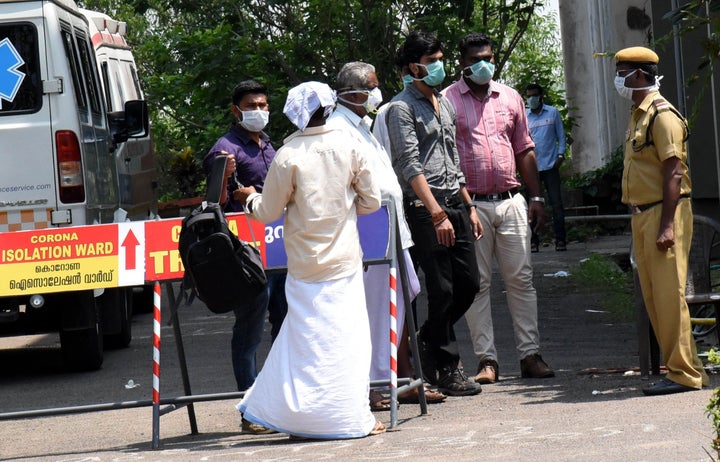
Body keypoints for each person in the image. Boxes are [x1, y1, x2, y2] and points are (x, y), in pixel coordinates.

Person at [235, 81, 386, 438]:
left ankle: (293, 415)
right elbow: (372, 202)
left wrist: (249, 199)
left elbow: (268, 211)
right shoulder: (349, 145)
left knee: (305, 344)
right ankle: (349, 417)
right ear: (329, 107)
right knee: (347, 343)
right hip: (345, 262)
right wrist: (347, 207)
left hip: (303, 266)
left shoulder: (288, 156)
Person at [327, 62, 446, 409]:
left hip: (392, 228)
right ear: (356, 93)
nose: (378, 92)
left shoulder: (361, 124)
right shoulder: (338, 129)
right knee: (377, 308)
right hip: (370, 231)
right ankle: (375, 384)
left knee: (404, 294)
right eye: (374, 86)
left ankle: (395, 376)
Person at [442, 33, 554, 384]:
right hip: (470, 204)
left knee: (521, 279)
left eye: (489, 57)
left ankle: (530, 355)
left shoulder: (510, 97)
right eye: (477, 59)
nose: (484, 64)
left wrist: (536, 198)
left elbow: (524, 148)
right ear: (462, 63)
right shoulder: (447, 100)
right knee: (478, 284)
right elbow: (445, 155)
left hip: (510, 201)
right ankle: (486, 361)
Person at [385, 31, 483, 397]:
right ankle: (447, 367)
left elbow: (453, 160)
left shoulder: (444, 103)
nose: (439, 66)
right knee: (440, 289)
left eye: (441, 59)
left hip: (455, 204)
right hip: (425, 210)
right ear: (415, 67)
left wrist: (468, 206)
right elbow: (410, 165)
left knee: (469, 284)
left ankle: (425, 339)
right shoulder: (400, 108)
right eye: (432, 61)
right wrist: (437, 214)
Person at [614, 46, 709, 396]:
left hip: (663, 212)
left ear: (638, 75)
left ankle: (682, 374)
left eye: (621, 71)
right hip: (644, 213)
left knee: (669, 296)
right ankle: (688, 367)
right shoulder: (638, 114)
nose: (618, 78)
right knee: (655, 297)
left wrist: (667, 224)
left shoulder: (661, 115)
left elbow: (674, 172)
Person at [203, 80, 287, 432]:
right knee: (250, 331)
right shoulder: (223, 149)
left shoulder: (270, 144)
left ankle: (282, 403)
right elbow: (214, 203)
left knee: (285, 328)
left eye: (265, 105)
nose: (260, 111)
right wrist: (229, 184)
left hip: (282, 250)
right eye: (253, 105)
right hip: (247, 256)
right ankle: (250, 409)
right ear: (236, 110)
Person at [525, 83, 568, 252]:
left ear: (541, 96)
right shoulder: (525, 116)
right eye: (528, 96)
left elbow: (561, 136)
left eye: (534, 95)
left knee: (556, 204)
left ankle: (560, 240)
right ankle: (533, 241)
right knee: (532, 205)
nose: (531, 99)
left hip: (550, 165)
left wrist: (561, 155)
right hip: (532, 169)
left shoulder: (553, 113)